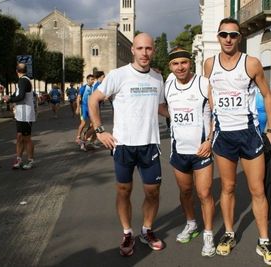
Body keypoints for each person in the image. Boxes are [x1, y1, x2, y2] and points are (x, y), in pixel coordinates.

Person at [203, 18, 271, 265]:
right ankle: (229, 234)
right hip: (223, 136)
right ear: (218, 37)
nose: (228, 39)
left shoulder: (252, 63)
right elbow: (210, 93)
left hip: (248, 134)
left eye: (233, 35)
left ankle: (264, 241)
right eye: (224, 34)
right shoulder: (209, 64)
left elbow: (268, 96)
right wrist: (212, 125)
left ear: (239, 38)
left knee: (257, 190)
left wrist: (270, 129)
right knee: (227, 188)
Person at [88, 33, 169, 257]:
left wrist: (186, 115)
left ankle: (146, 230)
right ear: (133, 50)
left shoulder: (157, 78)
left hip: (149, 145)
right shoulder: (118, 75)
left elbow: (161, 107)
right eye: (140, 48)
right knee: (124, 191)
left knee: (153, 191)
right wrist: (99, 130)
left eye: (149, 48)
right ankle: (127, 232)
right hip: (123, 145)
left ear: (153, 51)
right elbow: (93, 99)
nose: (144, 52)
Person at [165, 48, 216, 257]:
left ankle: (209, 234)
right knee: (185, 192)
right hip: (178, 151)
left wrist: (210, 140)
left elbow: (216, 113)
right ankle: (191, 224)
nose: (180, 67)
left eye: (184, 62)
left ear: (190, 63)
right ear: (170, 66)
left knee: (204, 193)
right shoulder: (168, 85)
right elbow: (162, 107)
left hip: (201, 150)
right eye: (176, 64)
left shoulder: (204, 83)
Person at [2, 63, 36, 170]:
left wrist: (9, 99)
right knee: (19, 137)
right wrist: (11, 97)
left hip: (26, 114)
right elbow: (18, 95)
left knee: (27, 138)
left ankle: (31, 160)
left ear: (16, 71)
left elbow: (21, 97)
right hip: (20, 114)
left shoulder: (23, 80)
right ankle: (19, 159)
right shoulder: (24, 80)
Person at [75, 74, 99, 151]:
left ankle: (86, 134)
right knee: (83, 122)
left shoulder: (93, 88)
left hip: (90, 108)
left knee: (92, 123)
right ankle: (78, 137)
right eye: (91, 79)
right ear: (87, 80)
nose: (93, 81)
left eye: (93, 80)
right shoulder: (84, 87)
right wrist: (78, 107)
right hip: (84, 107)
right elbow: (78, 97)